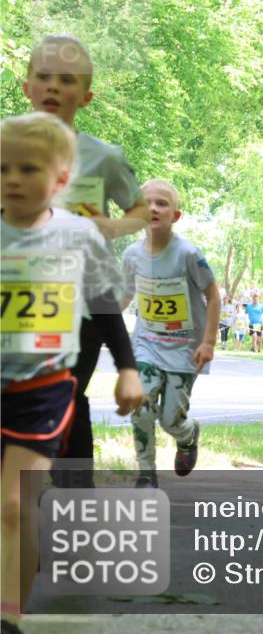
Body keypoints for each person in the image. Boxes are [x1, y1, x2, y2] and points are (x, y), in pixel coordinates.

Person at [1, 113, 144, 633]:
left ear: (60, 181)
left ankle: (8, 615)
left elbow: (106, 307)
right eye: (2, 169)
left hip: (43, 389)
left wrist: (127, 370)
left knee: (15, 501)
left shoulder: (78, 236)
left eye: (27, 169)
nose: (12, 179)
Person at [23, 35, 151, 490]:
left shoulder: (104, 157)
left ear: (87, 96)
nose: (53, 87)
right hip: (16, 302)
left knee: (68, 399)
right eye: (44, 77)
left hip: (82, 306)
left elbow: (139, 210)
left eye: (67, 80)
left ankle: (74, 507)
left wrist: (110, 228)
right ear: (26, 87)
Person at [121, 179, 220, 487]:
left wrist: (208, 342)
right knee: (141, 409)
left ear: (175, 215)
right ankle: (146, 473)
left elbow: (214, 296)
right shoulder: (132, 255)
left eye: (162, 203)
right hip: (146, 347)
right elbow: (123, 296)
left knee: (169, 420)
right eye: (146, 202)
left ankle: (188, 434)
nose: (153, 208)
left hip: (184, 351)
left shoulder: (188, 254)